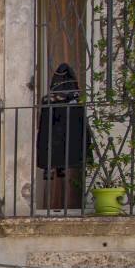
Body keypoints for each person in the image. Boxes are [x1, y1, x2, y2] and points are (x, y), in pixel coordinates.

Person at [35, 63, 89, 212]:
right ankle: (53, 205)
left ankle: (67, 204)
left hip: (57, 143)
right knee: (66, 165)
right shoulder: (75, 99)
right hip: (66, 143)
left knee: (65, 167)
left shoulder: (52, 100)